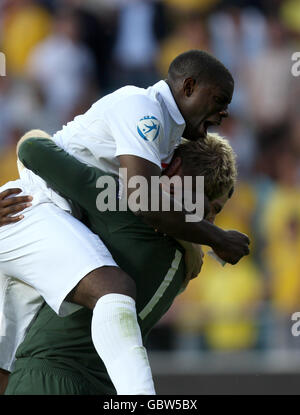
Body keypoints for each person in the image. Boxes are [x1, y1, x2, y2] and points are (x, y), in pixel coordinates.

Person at [0, 49, 250, 395]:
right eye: (220, 100)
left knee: (7, 365)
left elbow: (32, 146)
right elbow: (145, 198)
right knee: (111, 287)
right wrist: (217, 237)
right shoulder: (143, 110)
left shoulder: (143, 203)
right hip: (34, 207)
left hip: (46, 229)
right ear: (189, 86)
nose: (225, 112)